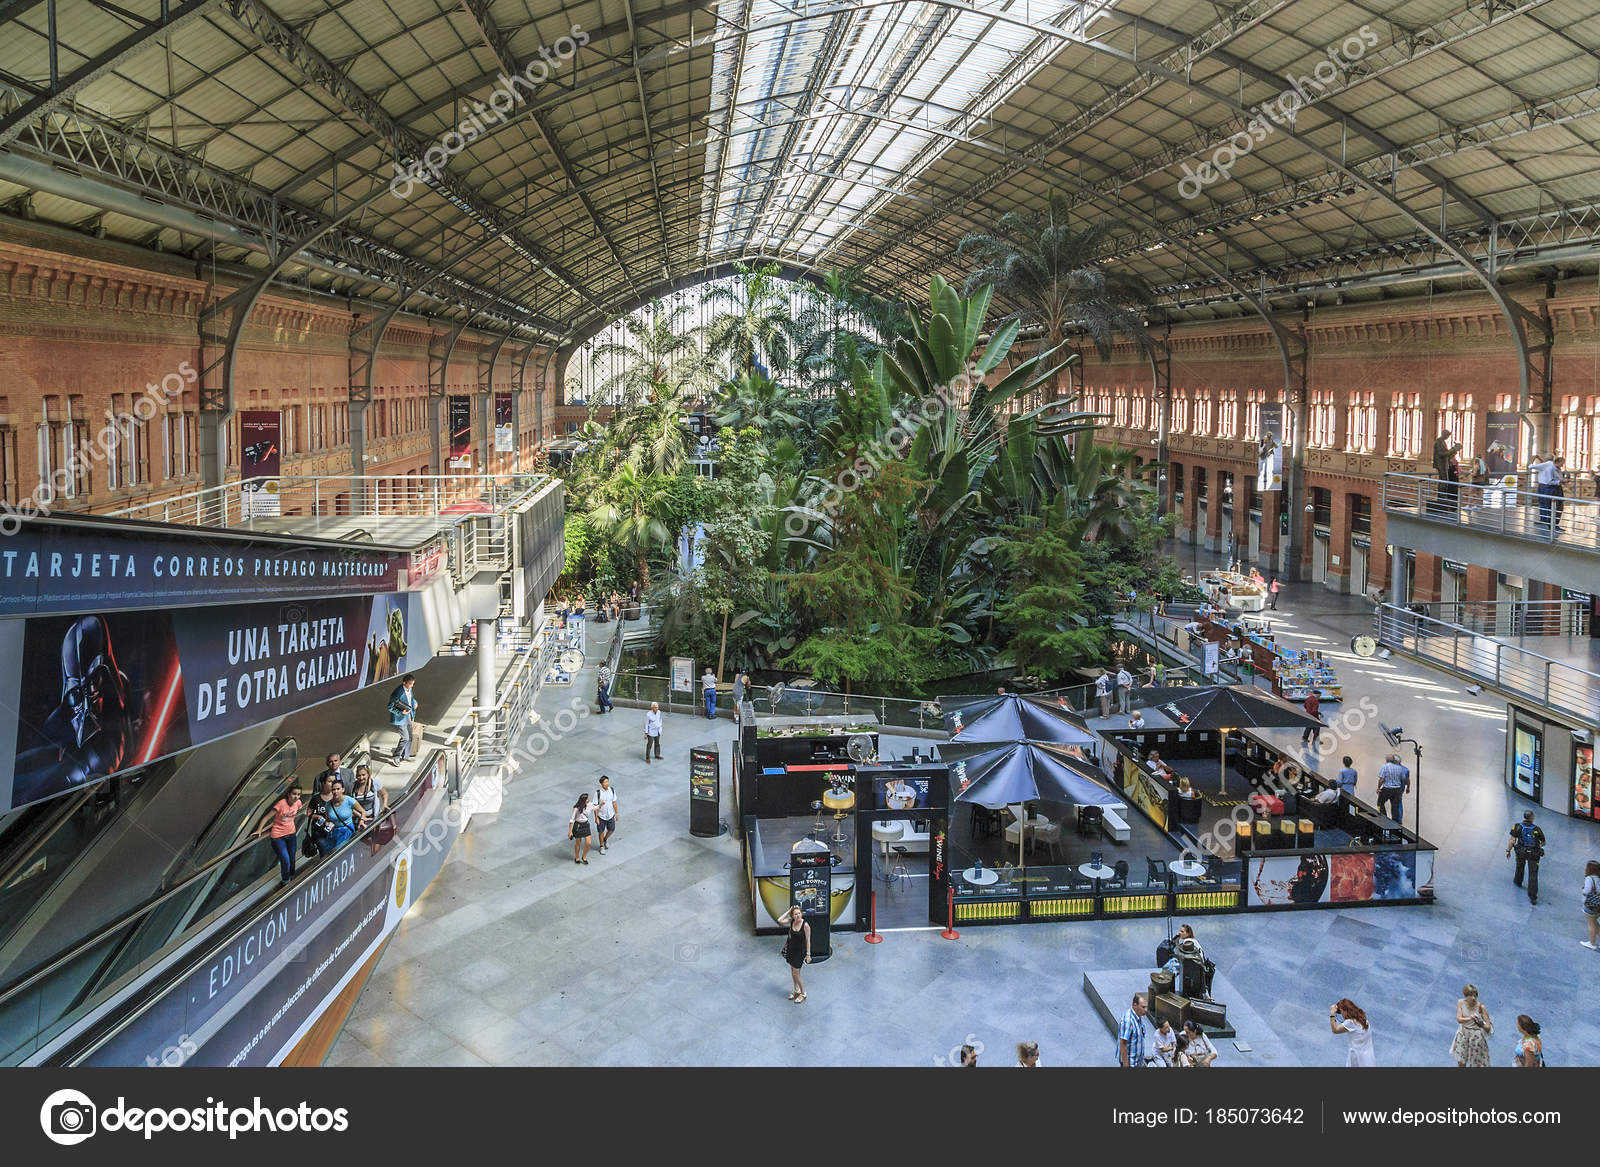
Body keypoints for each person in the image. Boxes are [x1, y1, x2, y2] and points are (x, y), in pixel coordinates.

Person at [254, 779, 303, 884]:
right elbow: (266, 817)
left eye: (298, 794)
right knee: (285, 859)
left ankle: (291, 876)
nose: (296, 797)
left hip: (291, 834)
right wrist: (259, 830)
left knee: (292, 859)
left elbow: (297, 810)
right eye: (294, 794)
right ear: (288, 794)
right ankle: (286, 881)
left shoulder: (298, 803)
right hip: (278, 836)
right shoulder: (281, 804)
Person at [313, 777, 367, 854]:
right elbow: (328, 819)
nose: (336, 791)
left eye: (338, 789)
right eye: (333, 789)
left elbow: (363, 811)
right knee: (331, 854)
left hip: (347, 831)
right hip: (334, 833)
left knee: (344, 853)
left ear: (343, 789)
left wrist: (361, 821)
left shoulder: (349, 800)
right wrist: (325, 823)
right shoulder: (328, 804)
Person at [1505, 809, 1545, 904]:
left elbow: (1512, 840)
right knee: (1533, 874)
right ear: (1532, 818)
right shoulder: (1537, 829)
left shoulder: (1517, 826)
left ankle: (1518, 881)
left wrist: (1508, 850)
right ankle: (1533, 897)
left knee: (1520, 865)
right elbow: (1543, 842)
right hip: (1534, 854)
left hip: (1521, 852)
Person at [1449, 984, 1493, 1067]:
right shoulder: (1460, 1003)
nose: (1473, 998)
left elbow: (1488, 1027)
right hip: (1463, 1036)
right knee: (1461, 1062)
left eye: (1475, 995)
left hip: (1476, 1038)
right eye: (1470, 995)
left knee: (1476, 1064)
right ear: (1466, 996)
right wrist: (1470, 1018)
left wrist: (1481, 1025)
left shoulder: (1481, 1007)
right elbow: (1459, 1019)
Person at [350, 764, 388, 850]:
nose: (361, 777)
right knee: (362, 842)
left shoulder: (374, 783)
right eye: (359, 775)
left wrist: (384, 805)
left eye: (363, 775)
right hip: (359, 819)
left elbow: (384, 793)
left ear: (368, 774)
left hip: (373, 818)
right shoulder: (352, 786)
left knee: (375, 841)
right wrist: (362, 817)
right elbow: (350, 805)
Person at [777, 904, 810, 1003]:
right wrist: (788, 911)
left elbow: (808, 940)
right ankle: (796, 990)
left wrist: (808, 954)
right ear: (792, 916)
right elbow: (780, 920)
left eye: (799, 913)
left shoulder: (805, 925)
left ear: (801, 914)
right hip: (791, 949)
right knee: (792, 971)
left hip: (800, 951)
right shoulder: (792, 922)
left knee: (796, 973)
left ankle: (803, 993)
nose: (798, 916)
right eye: (795, 914)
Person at [1330, 998, 1375, 1066]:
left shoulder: (1350, 1023)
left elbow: (1335, 1030)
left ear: (1345, 1011)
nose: (1342, 1015)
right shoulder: (1364, 1020)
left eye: (1341, 1012)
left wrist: (1332, 1014)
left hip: (1357, 1060)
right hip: (1368, 1058)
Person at [388, 674, 419, 764]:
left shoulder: (409, 689)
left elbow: (411, 698)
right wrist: (401, 712)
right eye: (410, 684)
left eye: (413, 684)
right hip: (400, 719)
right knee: (405, 738)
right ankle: (396, 756)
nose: (412, 685)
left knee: (410, 737)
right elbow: (390, 707)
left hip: (408, 716)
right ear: (404, 683)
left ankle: (406, 756)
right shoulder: (397, 692)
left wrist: (415, 702)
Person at [1530, 453, 1561, 532]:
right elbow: (1544, 464)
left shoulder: (1546, 465)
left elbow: (1530, 466)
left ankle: (1545, 520)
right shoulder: (1551, 465)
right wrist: (1540, 458)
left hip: (1544, 486)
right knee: (1548, 504)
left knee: (1544, 503)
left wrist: (1532, 459)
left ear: (1546, 458)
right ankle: (1547, 520)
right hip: (1551, 486)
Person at [1117, 992, 1149, 1067]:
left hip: (1138, 1062)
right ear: (1135, 1005)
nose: (1146, 1010)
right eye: (1143, 1007)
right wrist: (1126, 1064)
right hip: (1130, 1064)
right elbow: (1123, 1043)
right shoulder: (1128, 1021)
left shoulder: (1138, 1016)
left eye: (1147, 1007)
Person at [1376, 753, 1408, 822]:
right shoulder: (1399, 768)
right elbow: (1403, 779)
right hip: (1397, 790)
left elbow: (1381, 779)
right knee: (1395, 806)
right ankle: (1394, 822)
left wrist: (1378, 788)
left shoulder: (1384, 767)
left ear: (1386, 760)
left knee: (1380, 803)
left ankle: (1383, 818)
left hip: (1387, 789)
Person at [593, 775, 618, 853]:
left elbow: (614, 802)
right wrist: (596, 817)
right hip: (601, 816)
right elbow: (595, 806)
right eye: (605, 782)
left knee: (611, 829)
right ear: (601, 784)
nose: (607, 783)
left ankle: (605, 839)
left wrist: (616, 813)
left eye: (607, 781)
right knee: (601, 831)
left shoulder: (612, 790)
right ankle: (601, 846)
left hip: (610, 814)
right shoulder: (598, 793)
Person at [568, 793, 593, 864]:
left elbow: (595, 807)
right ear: (584, 800)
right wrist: (570, 831)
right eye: (587, 798)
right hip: (578, 825)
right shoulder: (576, 808)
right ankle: (577, 857)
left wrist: (601, 805)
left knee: (588, 843)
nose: (589, 799)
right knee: (578, 843)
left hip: (586, 825)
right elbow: (571, 820)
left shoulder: (590, 804)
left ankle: (584, 856)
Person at [1583, 859, 1600, 950]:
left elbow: (1586, 891)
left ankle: (1592, 943)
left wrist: (1583, 891)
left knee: (1591, 923)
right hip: (1599, 905)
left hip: (1591, 905)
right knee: (1596, 923)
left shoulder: (1590, 879)